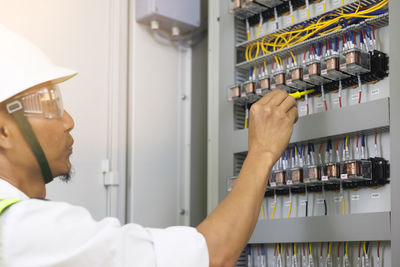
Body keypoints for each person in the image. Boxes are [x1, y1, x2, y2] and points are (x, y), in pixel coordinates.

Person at [0, 25, 298, 267]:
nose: (68, 121)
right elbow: (213, 255)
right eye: (49, 105)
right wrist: (262, 152)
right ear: (3, 131)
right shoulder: (23, 230)